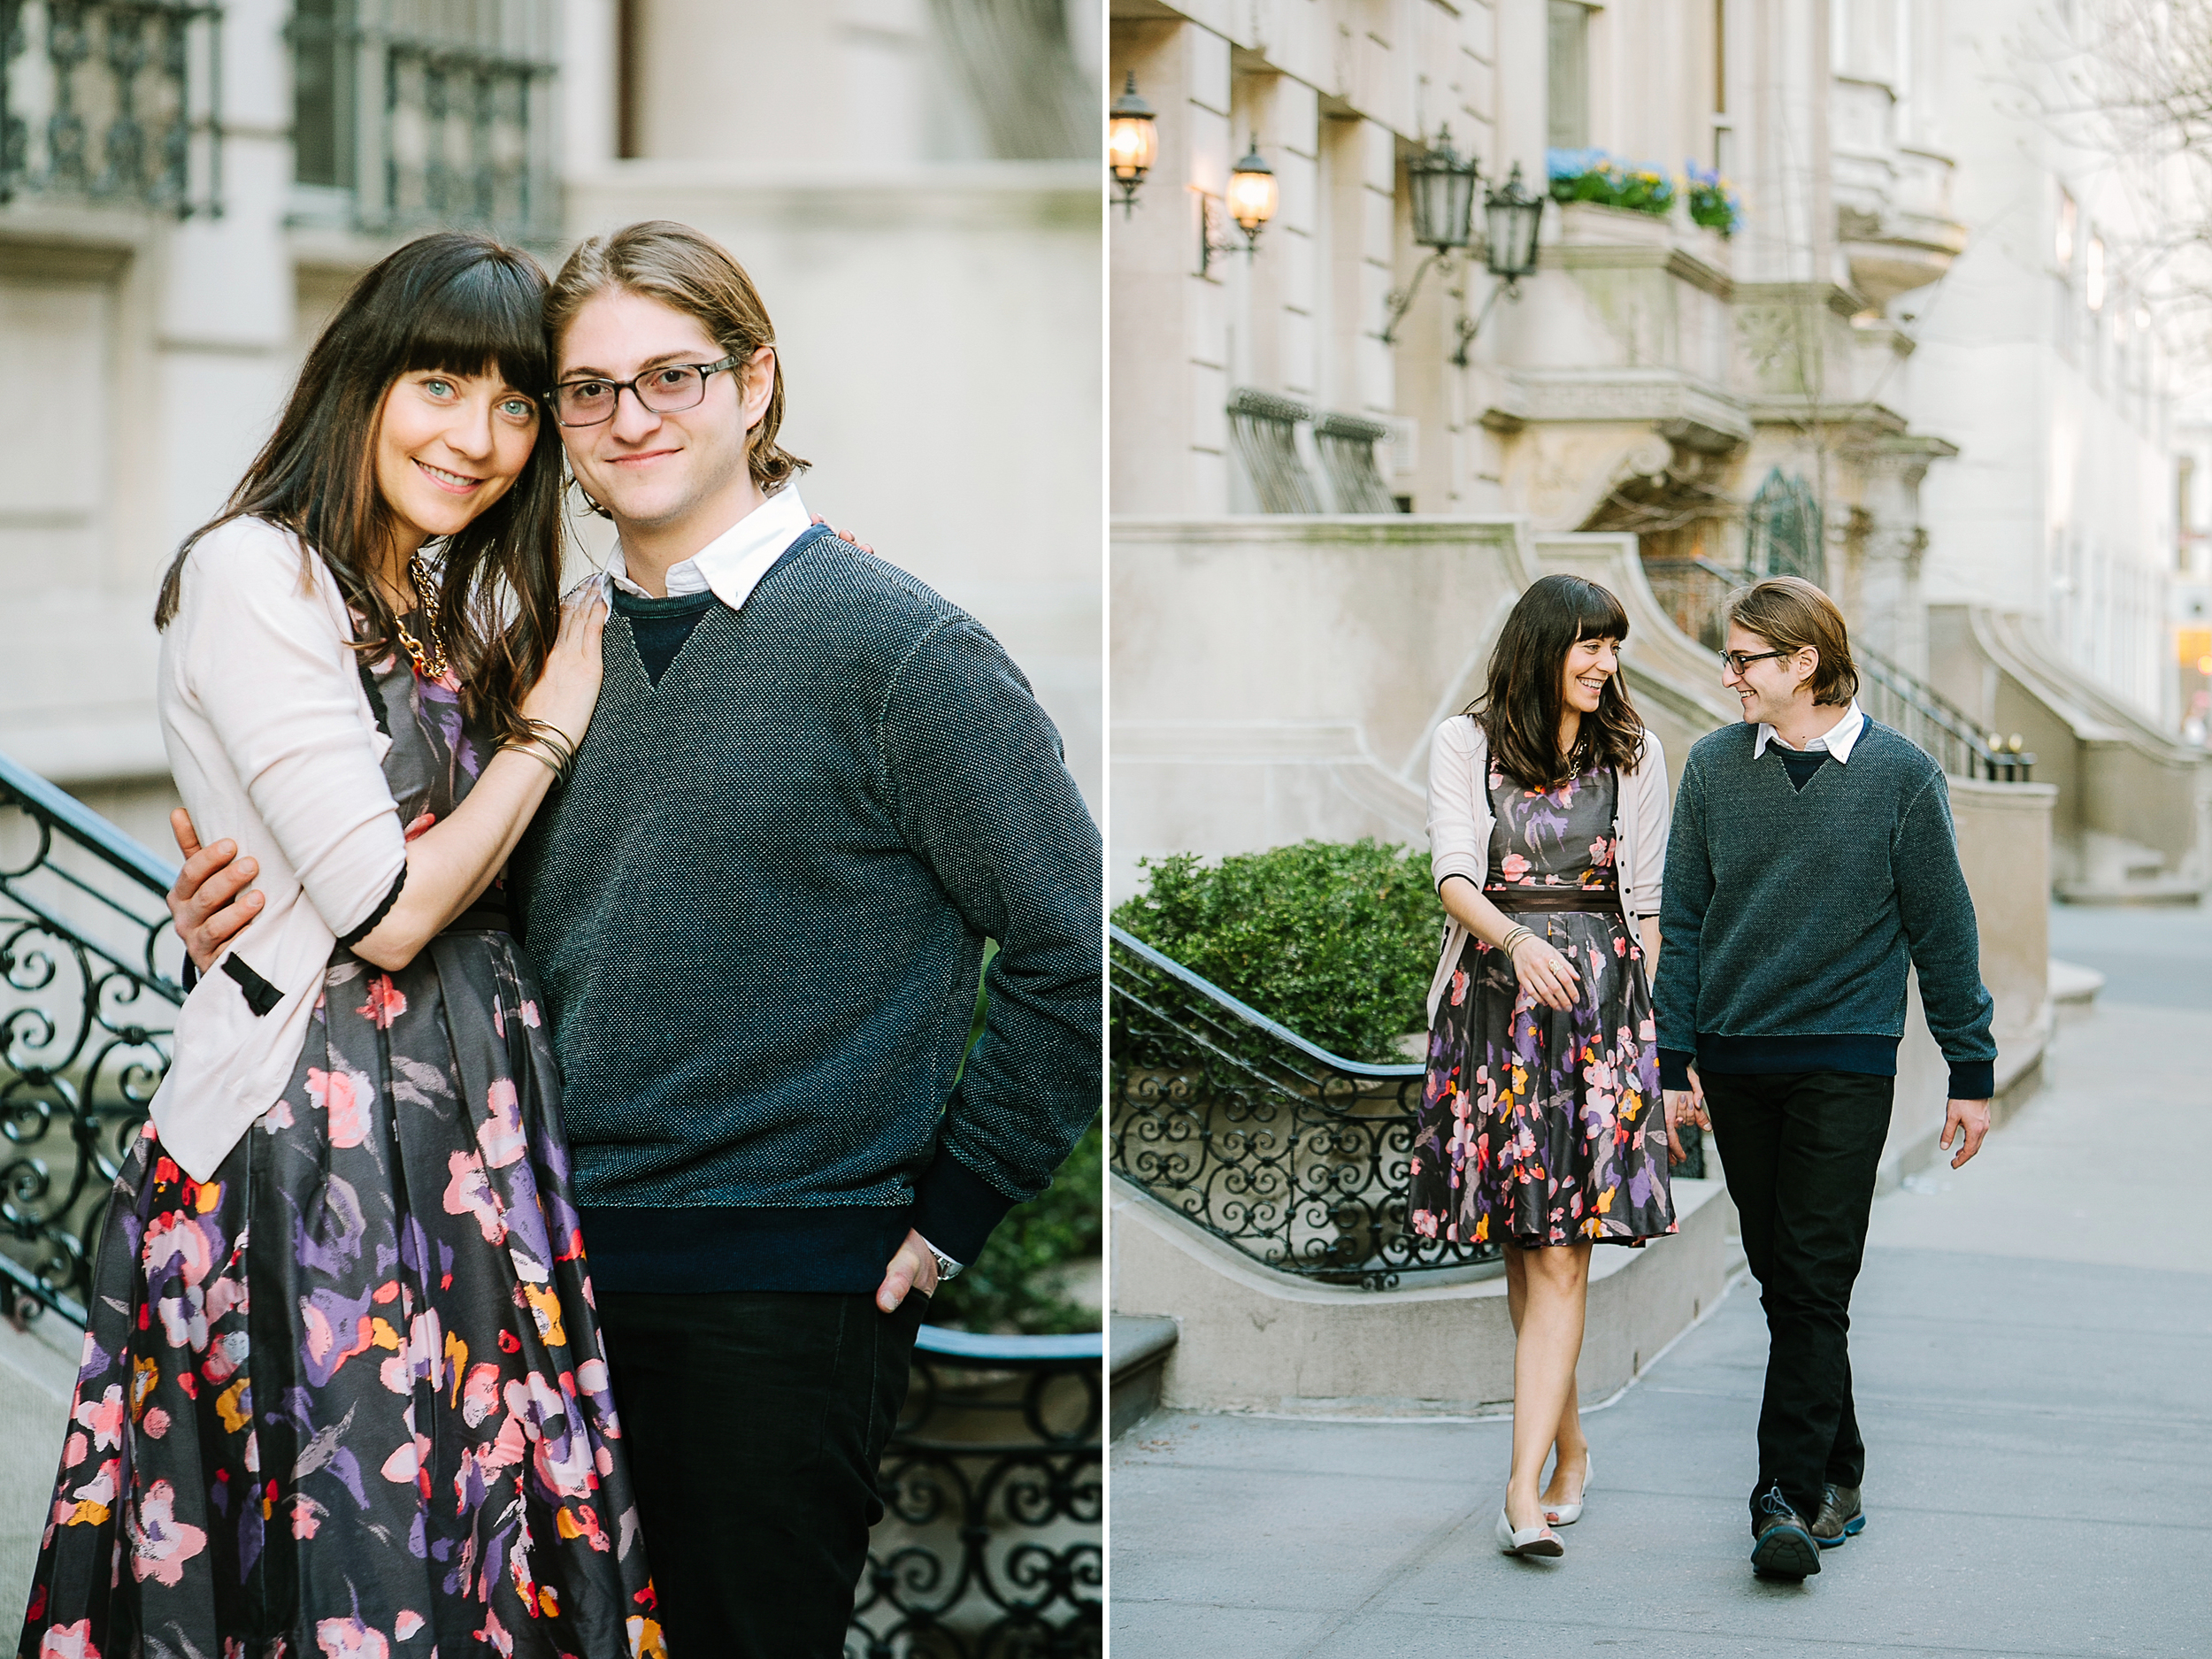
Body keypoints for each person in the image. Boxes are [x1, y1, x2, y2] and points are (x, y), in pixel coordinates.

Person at [169, 220, 1104, 1655]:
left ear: (755, 384)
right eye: (587, 389)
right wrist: (237, 914)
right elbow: (421, 911)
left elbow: (1065, 946)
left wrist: (951, 1215)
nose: (629, 418)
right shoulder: (533, 653)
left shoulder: (900, 648)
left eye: (672, 375)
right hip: (513, 1270)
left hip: (777, 1299)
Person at [20, 233, 663, 1656]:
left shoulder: (432, 596)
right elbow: (387, 906)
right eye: (442, 385)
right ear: (360, 378)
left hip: (471, 1134)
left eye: (514, 405)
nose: (480, 439)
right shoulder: (260, 574)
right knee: (353, 1556)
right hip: (315, 1144)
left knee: (471, 1548)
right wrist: (550, 721)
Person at [1655, 575, 1995, 1581]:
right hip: (1735, 1060)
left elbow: (1945, 931)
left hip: (1844, 1065)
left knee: (1813, 1278)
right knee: (1787, 1282)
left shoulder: (1902, 777)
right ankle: (1839, 1465)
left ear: (1804, 662)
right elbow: (1682, 922)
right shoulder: (1715, 767)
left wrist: (1969, 1072)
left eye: (1742, 659)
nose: (1728, 677)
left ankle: (1785, 1496)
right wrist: (1673, 1060)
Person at [1409, 573, 1684, 1561]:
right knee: (1527, 1250)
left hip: (1598, 1018)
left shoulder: (1637, 754)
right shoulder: (1464, 743)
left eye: (1614, 646)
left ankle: (1520, 1493)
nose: (1606, 664)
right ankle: (1568, 1450)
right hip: (1495, 1003)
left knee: (1564, 1252)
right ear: (1540, 648)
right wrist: (1519, 947)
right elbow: (1451, 873)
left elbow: (1645, 901)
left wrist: (1648, 1032)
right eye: (1588, 645)